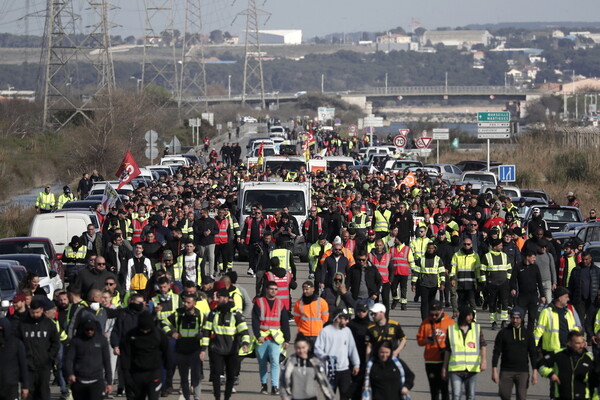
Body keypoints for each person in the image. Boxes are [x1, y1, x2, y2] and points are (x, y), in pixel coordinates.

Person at [201, 288, 250, 400]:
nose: (219, 299)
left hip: (231, 350)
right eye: (218, 297)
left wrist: (245, 343)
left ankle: (227, 397)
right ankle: (217, 397)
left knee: (230, 376)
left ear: (227, 298)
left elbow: (244, 330)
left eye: (222, 297)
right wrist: (203, 349)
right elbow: (206, 332)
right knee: (216, 374)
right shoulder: (213, 313)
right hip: (216, 349)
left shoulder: (235, 314)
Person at [491, 307, 539, 400]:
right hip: (506, 370)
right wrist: (494, 370)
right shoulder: (503, 333)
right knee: (504, 395)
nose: (515, 320)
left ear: (521, 318)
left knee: (521, 397)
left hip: (523, 371)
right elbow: (496, 352)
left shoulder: (528, 334)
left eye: (517, 318)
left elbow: (533, 353)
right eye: (513, 318)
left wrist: (535, 372)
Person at [16, 299, 61, 400]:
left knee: (43, 393)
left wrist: (49, 357)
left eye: (37, 312)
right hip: (28, 367)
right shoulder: (23, 324)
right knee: (28, 394)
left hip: (44, 366)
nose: (35, 315)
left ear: (42, 310)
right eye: (33, 312)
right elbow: (18, 343)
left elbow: (55, 343)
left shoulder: (49, 324)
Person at [163, 293, 204, 400]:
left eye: (188, 302)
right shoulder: (178, 314)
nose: (185, 304)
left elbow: (208, 329)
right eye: (185, 302)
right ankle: (187, 398)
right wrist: (172, 333)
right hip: (181, 351)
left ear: (194, 304)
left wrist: (202, 337)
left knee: (196, 377)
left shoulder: (200, 315)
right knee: (184, 379)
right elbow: (164, 323)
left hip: (195, 350)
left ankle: (197, 396)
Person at [252, 281, 291, 395]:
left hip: (275, 339)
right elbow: (255, 321)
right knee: (262, 363)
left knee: (275, 362)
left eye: (275, 289)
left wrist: (287, 339)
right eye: (271, 289)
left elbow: (285, 322)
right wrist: (258, 335)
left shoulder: (280, 303)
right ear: (266, 289)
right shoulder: (259, 302)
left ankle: (275, 386)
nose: (274, 291)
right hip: (262, 339)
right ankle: (264, 385)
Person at [121, 311, 170, 400]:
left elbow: (166, 353)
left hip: (153, 373)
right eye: (143, 329)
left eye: (147, 329)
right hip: (136, 374)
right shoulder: (131, 335)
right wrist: (126, 375)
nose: (145, 331)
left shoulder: (159, 334)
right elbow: (125, 356)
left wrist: (168, 373)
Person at [442, 306, 487, 400]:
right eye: (469, 315)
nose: (471, 317)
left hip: (472, 369)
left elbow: (483, 345)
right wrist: (444, 367)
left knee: (471, 396)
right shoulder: (451, 329)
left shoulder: (476, 329)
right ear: (463, 316)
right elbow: (447, 350)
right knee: (456, 395)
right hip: (456, 369)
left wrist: (484, 361)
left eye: (472, 315)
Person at [538, 330, 599, 400]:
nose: (581, 346)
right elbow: (540, 364)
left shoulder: (589, 358)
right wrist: (550, 374)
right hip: (561, 397)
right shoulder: (559, 354)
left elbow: (595, 382)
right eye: (577, 343)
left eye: (582, 342)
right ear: (570, 343)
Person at [314, 309, 360, 400]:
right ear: (337, 318)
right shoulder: (325, 331)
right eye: (345, 318)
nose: (347, 321)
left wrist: (356, 364)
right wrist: (324, 356)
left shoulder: (347, 331)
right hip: (330, 371)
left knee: (346, 396)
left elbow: (352, 348)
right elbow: (317, 348)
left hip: (344, 370)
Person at [64, 318, 112, 400]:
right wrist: (70, 373)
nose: (89, 331)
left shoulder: (102, 341)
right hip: (79, 381)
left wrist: (109, 382)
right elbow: (69, 359)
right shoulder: (76, 341)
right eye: (87, 330)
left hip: (97, 381)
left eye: (91, 329)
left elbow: (107, 361)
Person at [416, 300, 455, 400]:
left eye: (436, 314)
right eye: (431, 314)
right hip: (431, 361)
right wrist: (426, 341)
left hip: (445, 361)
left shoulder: (450, 323)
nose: (433, 317)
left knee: (445, 389)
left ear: (442, 311)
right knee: (434, 391)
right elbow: (419, 341)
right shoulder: (426, 323)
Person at [279, 335, 334, 400]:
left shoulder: (314, 362)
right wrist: (284, 396)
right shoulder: (290, 362)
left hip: (311, 397)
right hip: (294, 397)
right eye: (298, 348)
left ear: (308, 346)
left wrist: (331, 397)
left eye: (303, 347)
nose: (301, 351)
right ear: (295, 347)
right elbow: (282, 380)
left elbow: (324, 382)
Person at [534, 287, 581, 355]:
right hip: (552, 351)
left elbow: (573, 329)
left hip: (567, 349)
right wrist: (533, 346)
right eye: (566, 297)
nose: (568, 299)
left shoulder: (568, 312)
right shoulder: (546, 312)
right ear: (560, 298)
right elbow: (539, 331)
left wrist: (580, 338)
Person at [510, 251, 546, 331]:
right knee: (521, 317)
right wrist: (513, 288)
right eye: (533, 257)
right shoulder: (518, 267)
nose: (535, 259)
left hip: (533, 296)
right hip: (522, 297)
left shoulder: (535, 267)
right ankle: (521, 332)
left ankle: (530, 334)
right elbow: (512, 280)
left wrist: (542, 295)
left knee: (532, 317)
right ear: (527, 257)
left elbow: (539, 282)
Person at [481, 238, 512, 330]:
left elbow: (509, 268)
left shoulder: (505, 256)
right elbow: (482, 270)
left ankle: (503, 322)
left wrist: (507, 279)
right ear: (494, 247)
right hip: (492, 285)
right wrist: (484, 283)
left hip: (503, 284)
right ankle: (493, 322)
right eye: (500, 245)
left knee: (504, 303)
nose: (502, 246)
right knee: (492, 304)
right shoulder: (487, 256)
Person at [412, 243, 445, 321]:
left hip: (434, 285)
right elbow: (416, 272)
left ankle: (430, 319)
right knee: (424, 303)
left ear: (434, 249)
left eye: (432, 248)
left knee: (431, 303)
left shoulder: (438, 259)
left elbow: (442, 272)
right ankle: (424, 320)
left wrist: (442, 283)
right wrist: (413, 283)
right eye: (429, 248)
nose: (430, 250)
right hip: (423, 284)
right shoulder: (421, 259)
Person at [568, 251, 600, 331]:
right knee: (579, 321)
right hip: (579, 299)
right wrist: (570, 298)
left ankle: (590, 339)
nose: (584, 261)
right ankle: (580, 338)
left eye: (586, 259)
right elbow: (571, 285)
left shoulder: (597, 270)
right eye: (583, 259)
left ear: (590, 259)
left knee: (591, 320)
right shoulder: (576, 270)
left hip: (593, 299)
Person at [450, 239, 483, 313]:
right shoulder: (456, 255)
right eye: (464, 244)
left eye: (468, 244)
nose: (466, 246)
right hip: (460, 284)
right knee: (461, 303)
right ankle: (463, 320)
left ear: (471, 245)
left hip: (471, 284)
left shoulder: (475, 256)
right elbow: (453, 268)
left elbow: (478, 270)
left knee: (472, 302)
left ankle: (473, 320)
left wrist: (479, 282)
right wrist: (452, 278)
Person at [0, 318, 30, 400]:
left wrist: (26, 386)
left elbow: (23, 365)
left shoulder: (16, 344)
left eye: (2, 330)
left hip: (11, 386)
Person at [389, 237, 416, 311]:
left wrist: (413, 270)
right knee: (393, 287)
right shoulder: (391, 249)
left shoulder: (407, 249)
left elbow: (411, 260)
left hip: (404, 272)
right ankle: (395, 299)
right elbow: (389, 260)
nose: (395, 240)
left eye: (396, 239)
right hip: (394, 272)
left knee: (403, 288)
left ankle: (403, 304)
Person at [368, 239, 392, 314]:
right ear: (375, 246)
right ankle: (375, 317)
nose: (379, 247)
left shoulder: (388, 255)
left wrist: (390, 281)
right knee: (375, 301)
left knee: (386, 301)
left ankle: (386, 317)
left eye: (380, 245)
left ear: (383, 246)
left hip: (385, 282)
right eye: (377, 245)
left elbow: (391, 269)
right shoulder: (370, 255)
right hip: (374, 283)